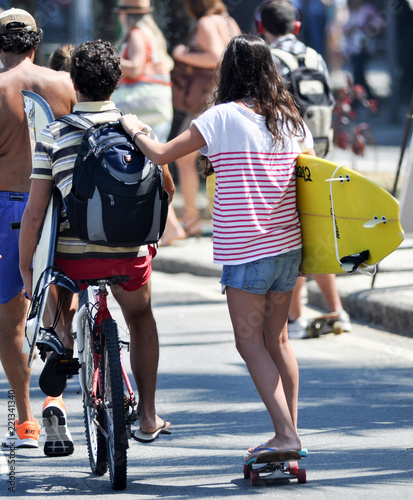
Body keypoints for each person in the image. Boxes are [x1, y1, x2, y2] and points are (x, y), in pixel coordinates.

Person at [120, 34, 314, 458]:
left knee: (250, 344)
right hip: (289, 248)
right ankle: (289, 431)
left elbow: (161, 154)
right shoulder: (290, 119)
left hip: (248, 250)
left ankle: (286, 435)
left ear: (229, 72)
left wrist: (134, 128)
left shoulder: (221, 117)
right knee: (278, 341)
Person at [19, 39, 174, 443]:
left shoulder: (53, 134)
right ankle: (149, 416)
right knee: (141, 318)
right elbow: (167, 188)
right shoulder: (136, 128)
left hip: (74, 259)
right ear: (117, 82)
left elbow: (35, 214)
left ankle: (63, 339)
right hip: (128, 256)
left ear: (73, 82)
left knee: (56, 280)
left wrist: (26, 269)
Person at [0, 8, 76, 454]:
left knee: (11, 321)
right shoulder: (64, 84)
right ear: (35, 44)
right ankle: (57, 399)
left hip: (10, 207)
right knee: (61, 311)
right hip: (62, 207)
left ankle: (26, 422)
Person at [259, 0, 351, 338]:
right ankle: (336, 310)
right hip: (320, 152)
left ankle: (294, 319)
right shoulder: (315, 56)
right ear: (296, 27)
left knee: (294, 235)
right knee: (317, 231)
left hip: (288, 157)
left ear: (261, 26)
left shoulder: (268, 58)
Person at [112, 0, 185, 246]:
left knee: (154, 164)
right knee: (156, 164)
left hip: (143, 104)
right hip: (157, 102)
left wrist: (109, 60)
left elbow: (135, 67)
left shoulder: (135, 34)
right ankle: (172, 226)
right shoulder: (151, 33)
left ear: (126, 15)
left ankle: (171, 227)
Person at [171, 0, 240, 237]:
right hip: (230, 97)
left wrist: (182, 54)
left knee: (183, 157)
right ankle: (219, 221)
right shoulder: (229, 21)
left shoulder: (205, 22)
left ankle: (192, 221)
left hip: (208, 99)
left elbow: (215, 57)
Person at [343, 0, 385, 99]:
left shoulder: (368, 10)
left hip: (363, 49)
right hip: (352, 49)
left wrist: (365, 29)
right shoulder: (350, 12)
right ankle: (367, 98)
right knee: (358, 75)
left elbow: (380, 24)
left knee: (358, 74)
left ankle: (359, 99)